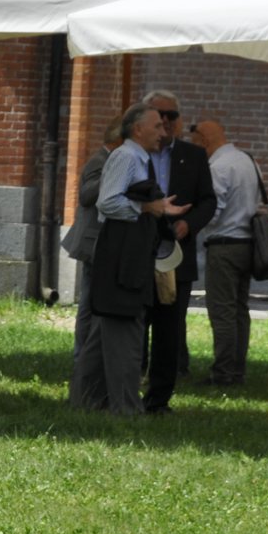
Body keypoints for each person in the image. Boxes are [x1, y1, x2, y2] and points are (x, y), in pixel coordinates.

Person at [68, 103, 191, 415]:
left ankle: (87, 401)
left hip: (128, 251)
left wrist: (158, 208)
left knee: (103, 331)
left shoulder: (138, 157)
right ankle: (126, 408)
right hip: (121, 254)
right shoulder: (126, 156)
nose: (164, 132)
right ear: (138, 129)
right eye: (157, 127)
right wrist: (146, 209)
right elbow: (108, 202)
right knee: (125, 331)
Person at [139, 90, 215, 413]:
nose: (166, 122)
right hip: (141, 251)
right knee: (137, 322)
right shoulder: (135, 154)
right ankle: (129, 385)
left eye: (172, 116)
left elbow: (208, 200)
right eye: (160, 116)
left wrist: (190, 224)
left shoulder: (193, 156)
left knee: (171, 327)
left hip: (177, 256)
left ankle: (160, 397)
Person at [192, 115, 258, 386]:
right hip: (247, 244)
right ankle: (237, 369)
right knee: (240, 310)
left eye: (196, 143)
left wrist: (191, 221)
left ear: (205, 141)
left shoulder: (217, 167)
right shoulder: (246, 160)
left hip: (224, 245)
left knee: (222, 312)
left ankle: (224, 373)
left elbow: (213, 211)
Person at [62, 118, 123, 366]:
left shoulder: (107, 160)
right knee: (88, 303)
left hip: (100, 242)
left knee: (94, 300)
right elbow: (87, 195)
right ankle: (82, 356)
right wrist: (111, 173)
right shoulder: (100, 161)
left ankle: (89, 355)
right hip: (93, 243)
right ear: (118, 140)